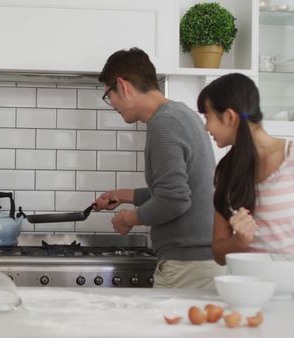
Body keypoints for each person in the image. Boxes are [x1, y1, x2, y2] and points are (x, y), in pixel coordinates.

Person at [197, 73, 294, 288]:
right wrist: (239, 241)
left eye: (208, 116)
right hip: (252, 297)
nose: (206, 127)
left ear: (230, 117)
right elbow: (219, 253)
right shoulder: (226, 172)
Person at [93, 47, 226, 289]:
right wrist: (123, 195)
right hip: (198, 262)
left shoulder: (164, 124)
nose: (111, 103)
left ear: (123, 86)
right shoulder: (181, 114)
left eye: (108, 95)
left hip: (187, 267)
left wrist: (128, 219)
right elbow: (184, 189)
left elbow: (174, 199)